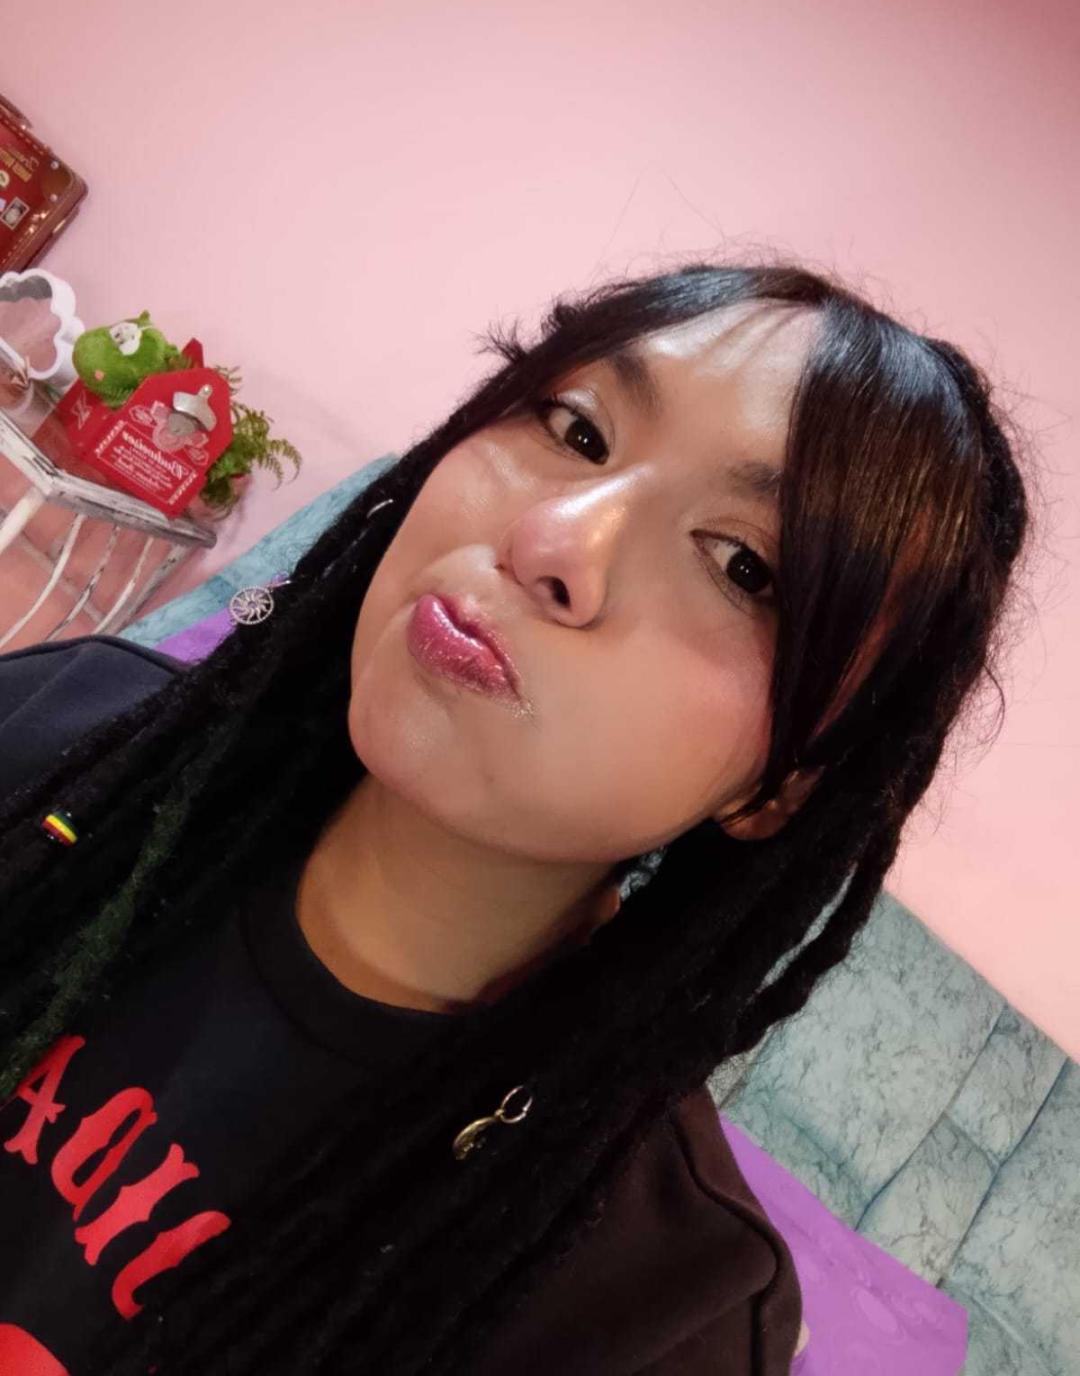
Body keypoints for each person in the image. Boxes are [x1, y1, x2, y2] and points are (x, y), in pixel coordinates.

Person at [0, 261, 1031, 1374]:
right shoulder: (70, 729)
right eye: (578, 431)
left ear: (780, 788)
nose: (553, 540)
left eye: (743, 567)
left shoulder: (657, 1316)